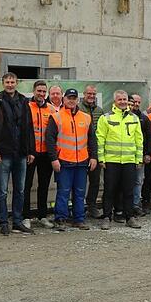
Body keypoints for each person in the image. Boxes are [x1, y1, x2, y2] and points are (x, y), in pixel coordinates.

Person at [0, 72, 34, 235]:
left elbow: (29, 127)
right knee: (2, 191)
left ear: (16, 83)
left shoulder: (23, 101)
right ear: (3, 83)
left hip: (21, 153)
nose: (10, 84)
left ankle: (17, 221)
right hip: (3, 153)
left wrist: (30, 151)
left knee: (20, 190)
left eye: (12, 82)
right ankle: (3, 222)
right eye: (7, 82)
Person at [46, 88, 98, 230]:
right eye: (69, 97)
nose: (71, 100)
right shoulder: (56, 117)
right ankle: (61, 219)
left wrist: (94, 156)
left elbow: (92, 140)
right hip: (63, 161)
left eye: (74, 98)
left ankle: (78, 219)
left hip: (82, 161)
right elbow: (49, 140)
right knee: (63, 192)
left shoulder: (86, 118)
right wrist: (53, 159)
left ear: (77, 100)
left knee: (80, 192)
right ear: (64, 99)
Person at [97, 90, 143, 229]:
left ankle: (129, 217)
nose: (122, 102)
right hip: (111, 160)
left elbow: (139, 140)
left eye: (124, 99)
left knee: (128, 190)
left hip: (129, 160)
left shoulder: (134, 118)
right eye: (120, 100)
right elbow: (100, 139)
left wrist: (138, 159)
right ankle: (106, 217)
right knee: (109, 190)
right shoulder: (106, 118)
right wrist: (101, 158)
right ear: (114, 101)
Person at [25, 80, 54, 228]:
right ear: (34, 91)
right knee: (27, 185)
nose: (41, 94)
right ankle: (26, 217)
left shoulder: (51, 109)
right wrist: (28, 150)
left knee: (44, 185)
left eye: (44, 91)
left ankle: (42, 216)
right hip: (31, 153)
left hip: (46, 154)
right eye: (39, 91)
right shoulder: (26, 107)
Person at [79, 85, 105, 219]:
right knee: (79, 182)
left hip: (95, 151)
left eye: (94, 94)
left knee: (95, 181)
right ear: (84, 94)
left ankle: (92, 206)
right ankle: (78, 207)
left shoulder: (99, 111)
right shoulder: (78, 109)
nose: (91, 96)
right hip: (81, 151)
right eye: (89, 93)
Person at [130, 94, 151, 216]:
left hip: (140, 156)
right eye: (134, 101)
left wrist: (148, 153)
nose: (136, 104)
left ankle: (135, 205)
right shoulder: (124, 117)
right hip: (126, 156)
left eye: (139, 102)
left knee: (138, 181)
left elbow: (149, 137)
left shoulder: (144, 119)